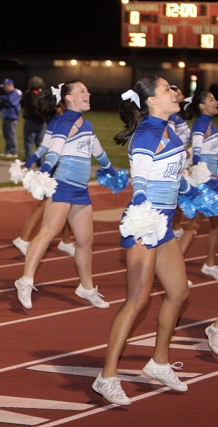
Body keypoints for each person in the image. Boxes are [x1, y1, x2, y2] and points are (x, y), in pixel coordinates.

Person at [92, 76, 192, 406]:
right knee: (137, 300)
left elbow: (172, 178)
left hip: (163, 224)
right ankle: (106, 377)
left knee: (179, 292)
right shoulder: (148, 134)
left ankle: (158, 363)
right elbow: (141, 179)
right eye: (167, 90)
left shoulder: (170, 129)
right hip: (144, 223)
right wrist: (139, 207)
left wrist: (198, 193)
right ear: (151, 101)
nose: (174, 93)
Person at [13, 80, 114, 310]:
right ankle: (26, 280)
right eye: (81, 91)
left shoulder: (85, 123)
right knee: (48, 232)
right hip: (63, 185)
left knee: (86, 241)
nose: (87, 93)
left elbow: (98, 151)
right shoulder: (63, 122)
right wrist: (43, 172)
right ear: (68, 98)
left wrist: (111, 170)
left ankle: (86, 288)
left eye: (87, 89)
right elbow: (53, 151)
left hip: (81, 189)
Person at [13, 89, 75, 257]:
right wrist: (29, 162)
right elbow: (45, 145)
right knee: (46, 204)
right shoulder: (59, 120)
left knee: (66, 202)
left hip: (67, 165)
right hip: (58, 165)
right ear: (60, 105)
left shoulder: (65, 118)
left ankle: (67, 241)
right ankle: (24, 239)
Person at [176, 89, 218, 280]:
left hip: (212, 180)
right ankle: (173, 268)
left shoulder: (209, 123)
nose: (215, 101)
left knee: (215, 225)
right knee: (194, 227)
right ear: (202, 106)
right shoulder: (202, 123)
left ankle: (210, 264)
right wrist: (203, 171)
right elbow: (198, 149)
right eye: (211, 99)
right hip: (207, 183)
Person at [169, 85, 192, 239]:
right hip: (177, 159)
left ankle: (176, 224)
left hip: (183, 159)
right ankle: (173, 226)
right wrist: (182, 150)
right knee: (176, 195)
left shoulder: (179, 116)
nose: (182, 95)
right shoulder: (170, 117)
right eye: (179, 93)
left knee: (180, 195)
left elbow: (186, 136)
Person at [20, 76, 47, 165]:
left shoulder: (29, 94)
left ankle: (28, 161)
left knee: (28, 142)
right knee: (40, 143)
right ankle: (40, 162)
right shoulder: (43, 94)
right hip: (41, 121)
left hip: (30, 121)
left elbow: (22, 102)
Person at [0, 79, 22, 159]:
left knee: (11, 134)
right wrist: (0, 103)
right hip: (6, 116)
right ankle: (8, 151)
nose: (4, 89)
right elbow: (5, 105)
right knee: (6, 135)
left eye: (5, 86)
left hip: (12, 116)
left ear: (10, 85)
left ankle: (14, 151)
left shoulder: (15, 93)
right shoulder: (9, 94)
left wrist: (1, 98)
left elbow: (11, 101)